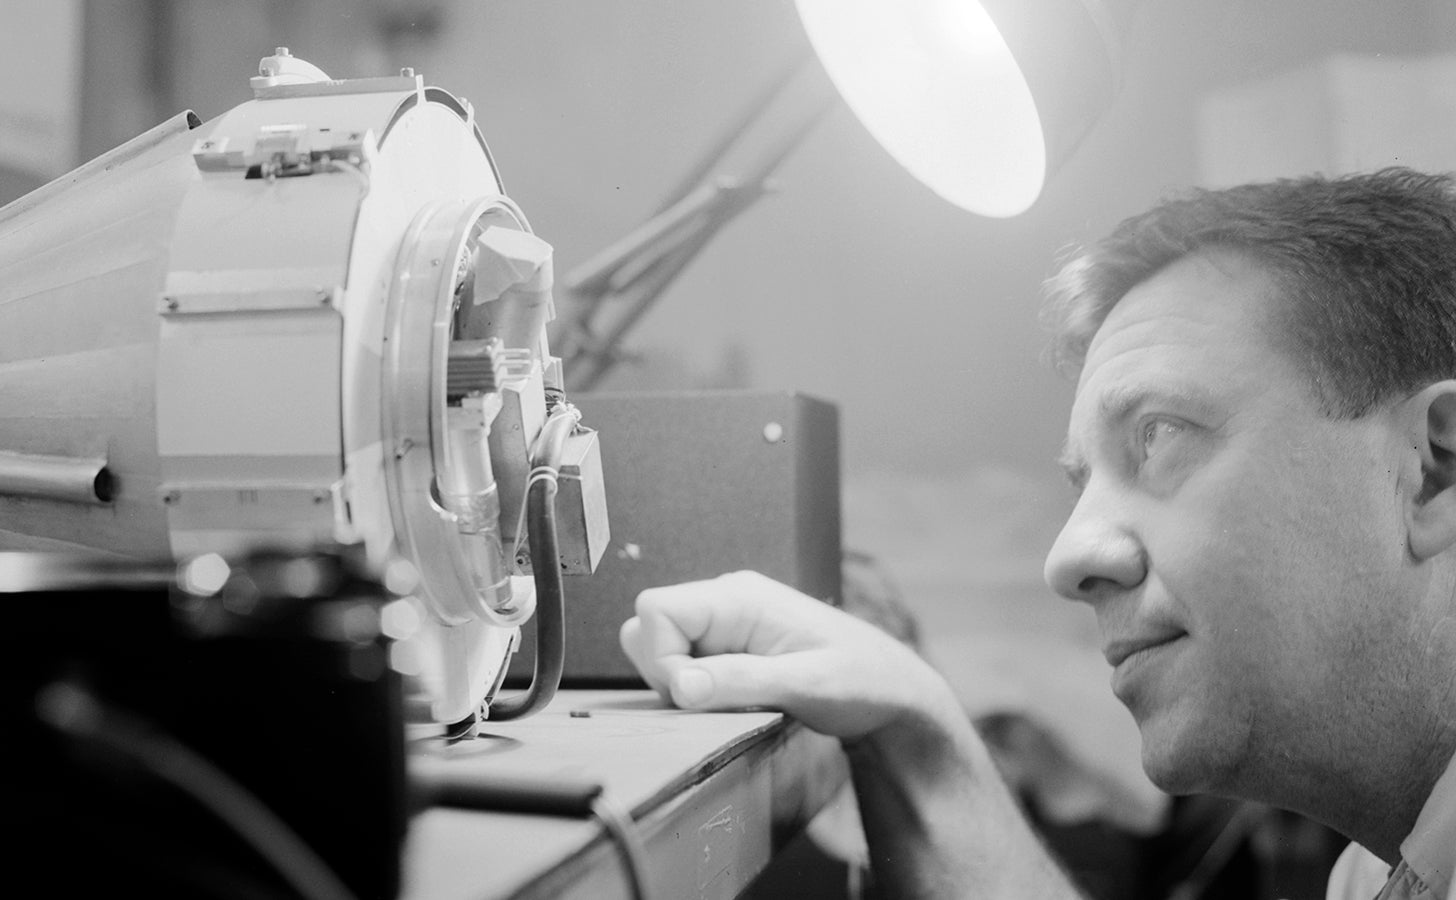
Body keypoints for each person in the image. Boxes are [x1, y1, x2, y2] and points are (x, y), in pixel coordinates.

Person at [619, 167, 1456, 899]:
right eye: (1081, 482)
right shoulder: (1381, 870)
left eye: (1159, 435)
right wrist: (914, 718)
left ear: (1434, 469)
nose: (1067, 560)